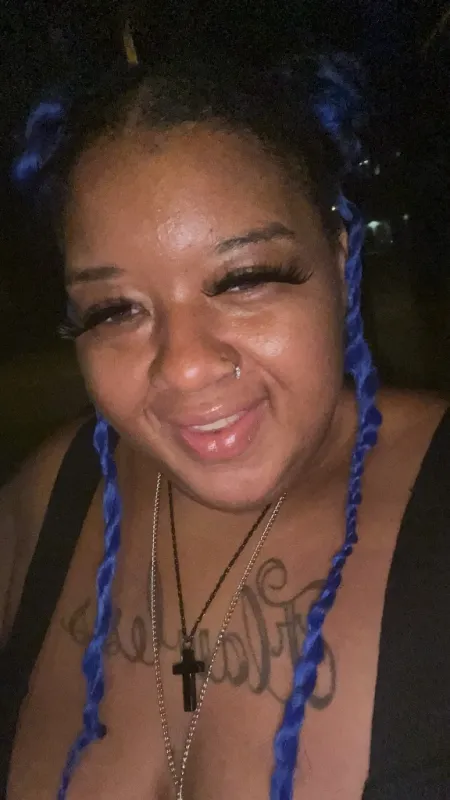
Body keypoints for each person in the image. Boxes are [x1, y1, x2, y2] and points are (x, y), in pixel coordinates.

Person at [1, 54, 449, 800]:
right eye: (115, 310)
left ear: (340, 260)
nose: (183, 367)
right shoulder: (54, 495)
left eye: (243, 279)